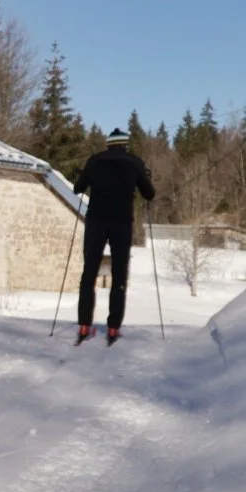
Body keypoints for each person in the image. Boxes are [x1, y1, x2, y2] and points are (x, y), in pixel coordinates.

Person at [70, 128, 155, 345]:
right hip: (121, 224)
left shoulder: (95, 160)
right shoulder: (134, 162)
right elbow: (149, 194)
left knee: (89, 273)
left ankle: (84, 325)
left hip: (96, 221)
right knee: (119, 275)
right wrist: (145, 176)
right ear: (125, 144)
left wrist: (86, 176)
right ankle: (114, 327)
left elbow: (78, 189)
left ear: (108, 144)